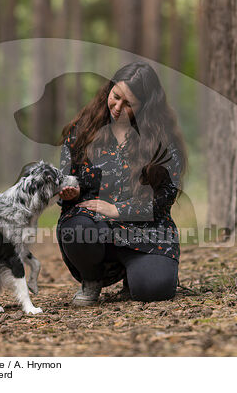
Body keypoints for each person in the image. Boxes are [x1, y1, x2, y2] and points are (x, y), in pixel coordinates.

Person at [56, 61, 188, 306]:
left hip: (147, 231)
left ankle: (143, 273)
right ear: (110, 89)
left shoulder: (162, 138)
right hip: (94, 227)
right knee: (76, 230)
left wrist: (118, 210)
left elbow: (165, 197)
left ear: (145, 106)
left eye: (128, 104)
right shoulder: (82, 130)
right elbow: (66, 176)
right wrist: (69, 192)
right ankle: (91, 279)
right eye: (115, 97)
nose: (117, 107)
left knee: (153, 290)